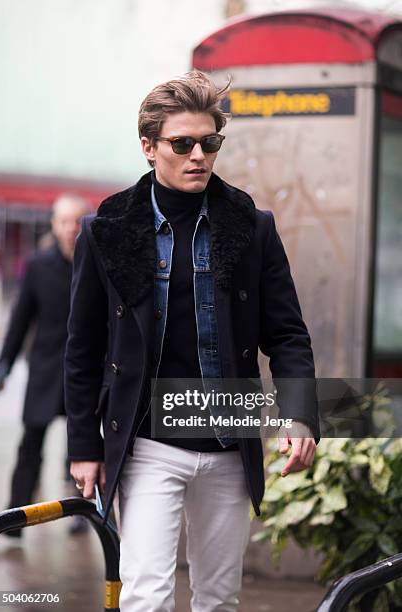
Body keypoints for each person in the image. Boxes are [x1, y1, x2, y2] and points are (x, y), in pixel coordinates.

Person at [65, 70, 320, 612]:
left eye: (210, 143)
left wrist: (298, 414)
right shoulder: (106, 228)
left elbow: (288, 333)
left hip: (228, 443)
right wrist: (85, 446)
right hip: (149, 444)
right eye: (182, 144)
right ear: (149, 146)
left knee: (219, 600)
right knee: (147, 596)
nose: (198, 155)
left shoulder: (252, 226)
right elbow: (82, 348)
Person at [0, 194, 88, 537]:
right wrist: (3, 364)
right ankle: (14, 517)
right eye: (64, 221)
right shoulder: (37, 265)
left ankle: (81, 511)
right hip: (46, 366)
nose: (70, 229)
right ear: (53, 224)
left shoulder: (94, 263)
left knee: (80, 441)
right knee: (31, 440)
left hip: (84, 369)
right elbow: (20, 319)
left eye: (77, 222)